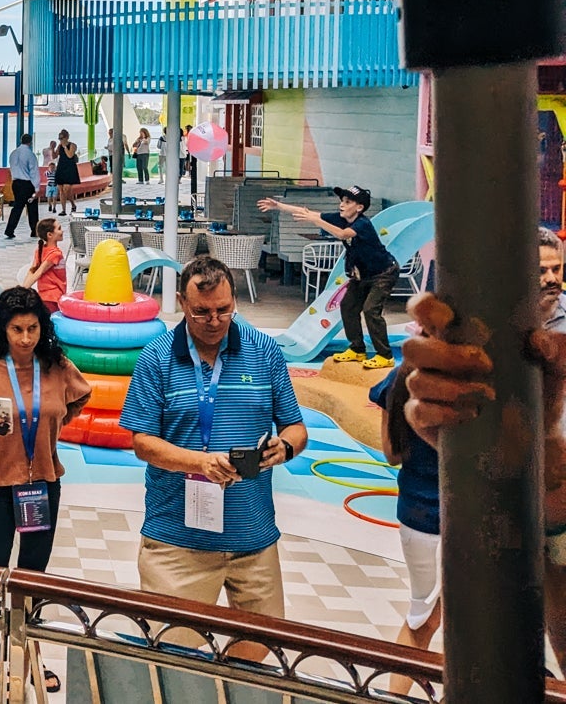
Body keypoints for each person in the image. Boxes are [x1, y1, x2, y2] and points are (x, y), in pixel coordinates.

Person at [118, 255, 308, 655]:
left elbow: (295, 427)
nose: (214, 320)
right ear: (183, 305)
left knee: (258, 665)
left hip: (253, 541)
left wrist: (285, 447)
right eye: (201, 311)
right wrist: (199, 462)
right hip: (177, 543)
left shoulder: (265, 352)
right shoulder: (156, 358)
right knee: (175, 665)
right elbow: (142, 442)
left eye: (224, 310)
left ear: (235, 301)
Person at [395, 230, 566, 668]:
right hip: (438, 517)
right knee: (430, 614)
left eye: (556, 269)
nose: (550, 280)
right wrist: (521, 455)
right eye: (540, 271)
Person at [0, 287, 90, 699]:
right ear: (3, 329)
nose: (25, 338)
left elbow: (79, 397)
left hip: (42, 484)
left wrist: (52, 424)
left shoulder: (57, 366)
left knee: (33, 577)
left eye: (32, 328)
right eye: (16, 329)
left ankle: (30, 650)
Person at [257, 185, 398, 369]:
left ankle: (385, 355)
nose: (342, 205)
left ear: (359, 208)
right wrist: (279, 206)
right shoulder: (341, 218)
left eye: (347, 202)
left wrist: (315, 221)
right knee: (348, 306)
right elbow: (307, 212)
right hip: (361, 275)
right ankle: (357, 349)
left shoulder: (362, 224)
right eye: (342, 201)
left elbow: (341, 234)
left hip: (383, 274)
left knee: (371, 309)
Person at [368, 360, 441, 694]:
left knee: (421, 617)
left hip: (417, 514)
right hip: (472, 520)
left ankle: (392, 696)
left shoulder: (400, 375)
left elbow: (392, 453)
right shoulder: (480, 378)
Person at [21, 218, 67, 313]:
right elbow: (38, 272)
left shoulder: (40, 250)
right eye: (59, 228)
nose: (62, 231)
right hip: (53, 297)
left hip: (45, 296)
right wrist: (22, 291)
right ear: (50, 235)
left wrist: (22, 288)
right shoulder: (55, 254)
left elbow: (32, 271)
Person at [5, 134, 40, 240]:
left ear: (21, 140)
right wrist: (37, 188)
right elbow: (34, 172)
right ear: (30, 142)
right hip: (27, 184)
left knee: (17, 207)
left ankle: (10, 230)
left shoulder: (13, 153)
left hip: (16, 183)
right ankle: (34, 230)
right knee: (32, 208)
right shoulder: (30, 155)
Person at [53, 130, 81, 215]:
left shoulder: (72, 145)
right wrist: (52, 148)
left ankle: (72, 204)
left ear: (67, 137)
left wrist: (65, 147)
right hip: (61, 167)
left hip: (70, 168)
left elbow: (70, 155)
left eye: (62, 138)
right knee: (61, 190)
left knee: (66, 189)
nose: (61, 140)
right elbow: (54, 156)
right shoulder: (59, 146)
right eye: (60, 138)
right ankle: (64, 210)